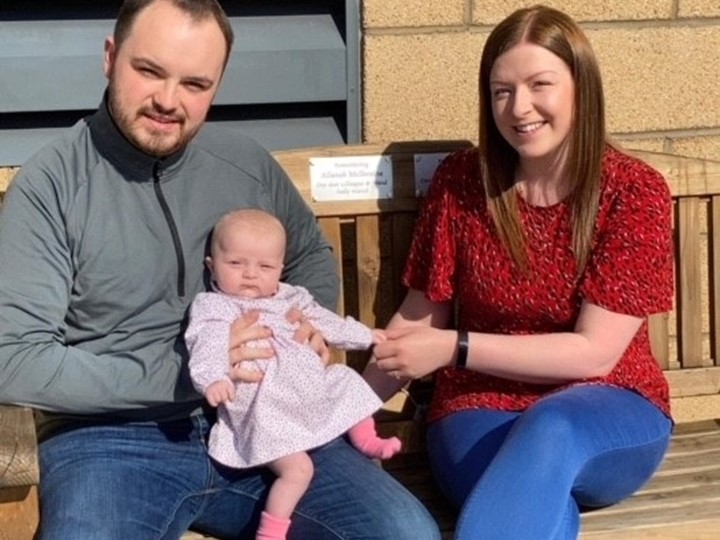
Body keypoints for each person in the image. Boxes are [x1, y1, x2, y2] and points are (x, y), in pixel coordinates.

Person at [0, 1, 440, 539]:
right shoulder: (53, 184)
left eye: (194, 83)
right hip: (112, 441)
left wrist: (304, 321)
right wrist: (190, 374)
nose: (168, 100)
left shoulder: (245, 165)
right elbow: (14, 359)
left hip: (272, 425)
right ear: (110, 58)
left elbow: (308, 257)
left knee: (401, 531)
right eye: (149, 71)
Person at [365, 5, 674, 540]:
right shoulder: (463, 181)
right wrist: (336, 414)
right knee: (537, 498)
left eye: (540, 84)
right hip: (477, 409)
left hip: (606, 406)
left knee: (550, 430)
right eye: (501, 90)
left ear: (581, 87)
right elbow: (417, 319)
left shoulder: (632, 191)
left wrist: (455, 348)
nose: (519, 107)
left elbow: (594, 353)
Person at [186, 209, 401, 540]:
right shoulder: (216, 308)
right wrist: (213, 379)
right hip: (266, 409)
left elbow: (325, 322)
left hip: (307, 394)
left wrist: (366, 336)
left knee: (346, 379)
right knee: (299, 470)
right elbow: (208, 344)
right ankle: (271, 532)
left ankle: (366, 439)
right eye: (236, 264)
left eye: (265, 267)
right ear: (211, 265)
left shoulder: (291, 297)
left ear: (280, 270)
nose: (250, 275)